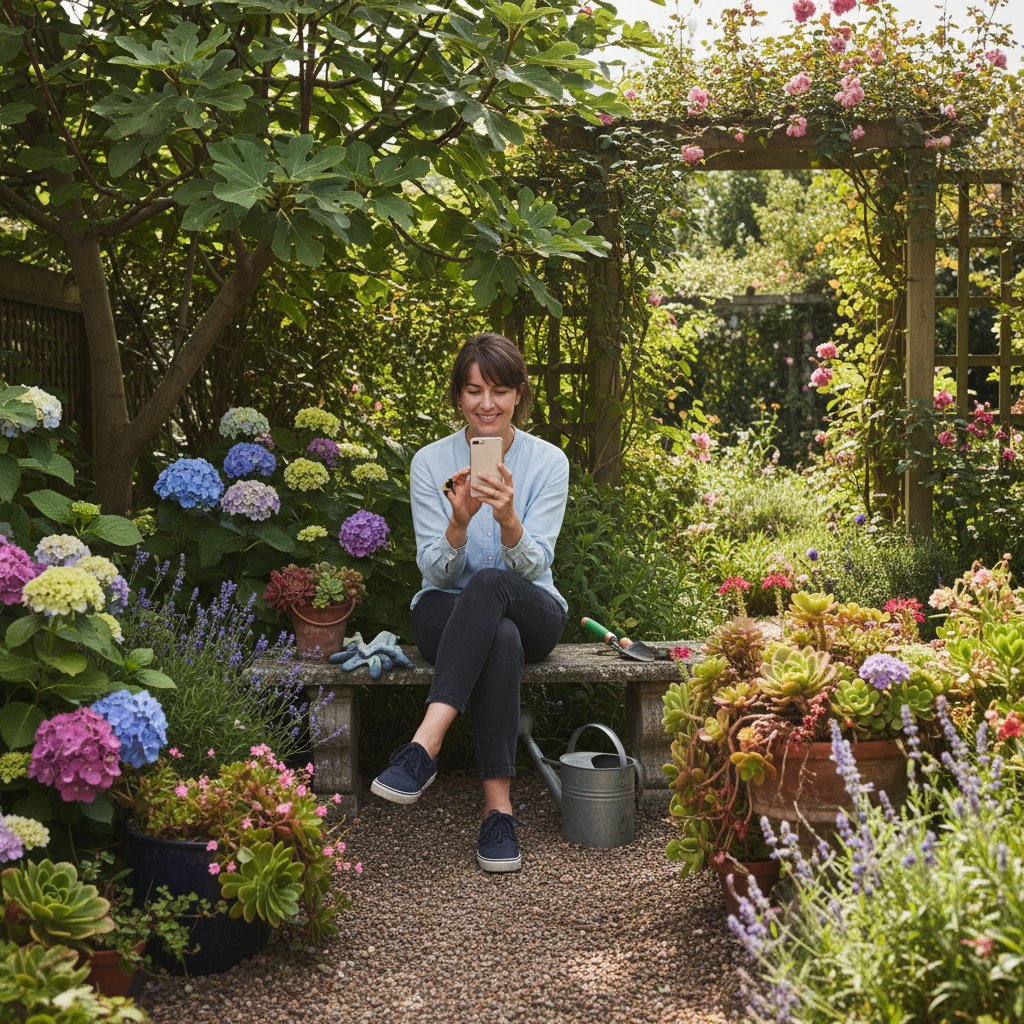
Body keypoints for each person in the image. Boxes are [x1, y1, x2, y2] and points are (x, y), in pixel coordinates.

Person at [370, 333, 569, 872]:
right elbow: (433, 570)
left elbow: (534, 564)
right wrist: (458, 522)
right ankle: (498, 812)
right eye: (474, 390)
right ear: (458, 396)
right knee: (493, 630)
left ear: (518, 396)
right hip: (445, 611)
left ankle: (424, 745)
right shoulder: (430, 462)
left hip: (534, 610)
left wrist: (507, 521)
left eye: (499, 391)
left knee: (492, 590)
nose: (487, 404)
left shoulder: (549, 463)